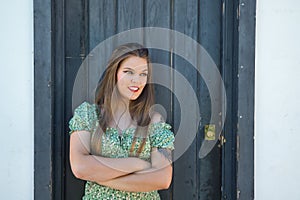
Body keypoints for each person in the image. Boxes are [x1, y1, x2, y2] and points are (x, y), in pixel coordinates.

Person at [68, 43, 175, 199]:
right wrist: (137, 164)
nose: (136, 81)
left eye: (143, 74)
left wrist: (100, 176)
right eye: (128, 72)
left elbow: (162, 179)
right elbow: (80, 167)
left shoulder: (154, 121)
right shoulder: (88, 115)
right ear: (114, 73)